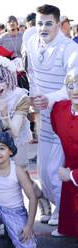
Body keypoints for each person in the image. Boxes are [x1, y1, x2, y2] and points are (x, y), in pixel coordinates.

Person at [23, 4, 78, 226]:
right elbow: (32, 74)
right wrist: (34, 99)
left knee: (56, 170)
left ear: (58, 24)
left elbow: (74, 86)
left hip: (63, 116)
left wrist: (51, 98)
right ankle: (57, 208)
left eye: (48, 23)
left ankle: (63, 214)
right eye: (39, 23)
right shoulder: (29, 40)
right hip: (42, 115)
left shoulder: (70, 49)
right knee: (44, 173)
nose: (43, 28)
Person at [0, 56, 51, 224]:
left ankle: (42, 201)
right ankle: (10, 219)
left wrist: (4, 114)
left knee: (23, 177)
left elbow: (15, 131)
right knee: (1, 182)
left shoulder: (21, 97)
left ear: (10, 78)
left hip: (16, 142)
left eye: (1, 79)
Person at [50, 68, 78, 238]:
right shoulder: (59, 109)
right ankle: (67, 226)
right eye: (71, 85)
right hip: (69, 166)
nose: (75, 90)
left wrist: (73, 175)